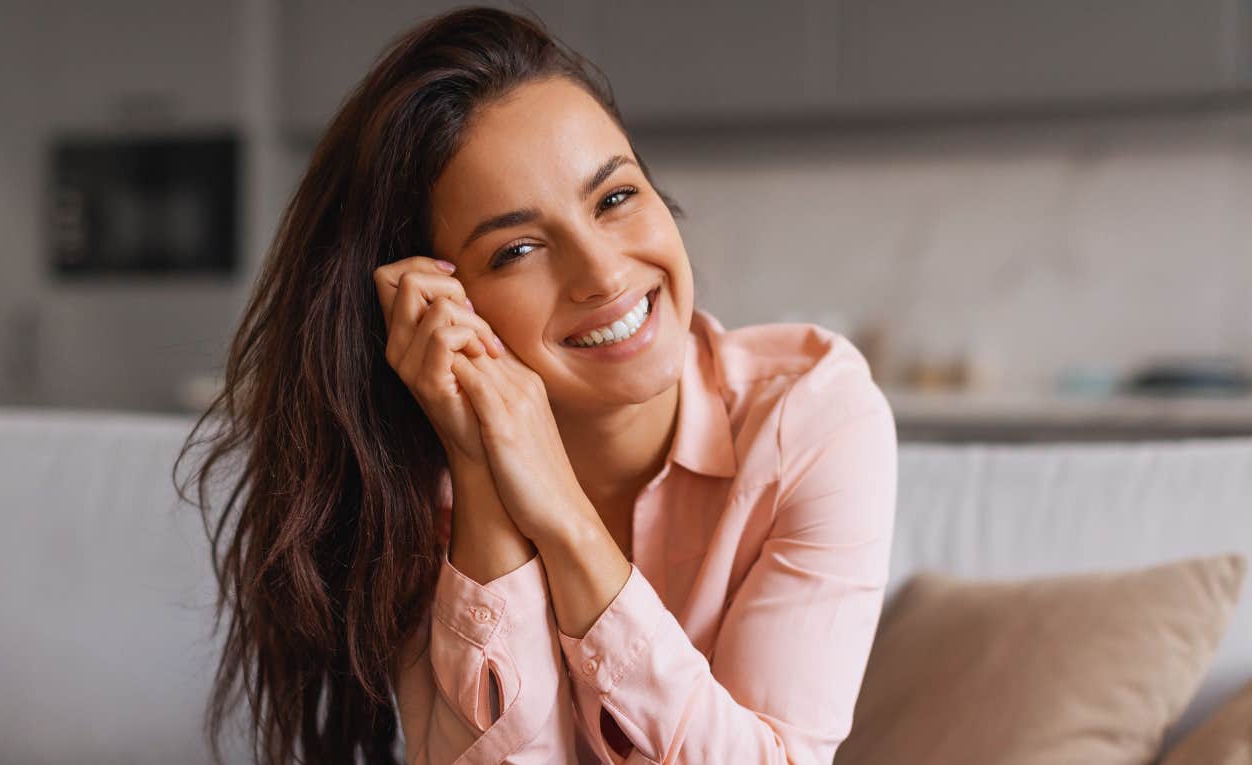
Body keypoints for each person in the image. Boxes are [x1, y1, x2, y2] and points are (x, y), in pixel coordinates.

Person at [175, 6, 898, 764]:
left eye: (616, 198)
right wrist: (481, 472)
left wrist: (562, 516)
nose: (605, 273)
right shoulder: (414, 489)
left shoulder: (812, 415)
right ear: (441, 303)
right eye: (518, 249)